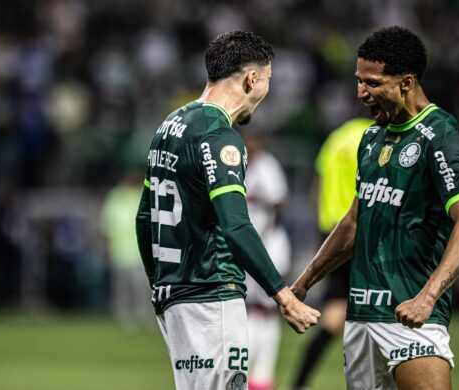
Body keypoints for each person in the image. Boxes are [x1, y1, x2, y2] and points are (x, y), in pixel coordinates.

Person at [291, 26, 459, 390]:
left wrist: (427, 298)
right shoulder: (370, 139)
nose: (361, 92)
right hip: (361, 317)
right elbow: (354, 222)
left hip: (410, 318)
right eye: (359, 80)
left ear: (406, 83)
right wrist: (302, 284)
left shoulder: (439, 135)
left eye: (373, 83)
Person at [136, 31, 320, 390]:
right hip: (211, 294)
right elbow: (236, 226)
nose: (266, 92)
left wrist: (157, 281)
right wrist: (283, 295)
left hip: (173, 295)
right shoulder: (220, 137)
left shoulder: (169, 126)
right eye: (267, 80)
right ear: (252, 79)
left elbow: (145, 218)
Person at [292, 117, 372, 390]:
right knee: (375, 309)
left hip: (331, 233)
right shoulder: (375, 137)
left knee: (335, 311)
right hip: (362, 231)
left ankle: (298, 383)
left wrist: (322, 227)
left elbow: (318, 184)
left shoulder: (335, 138)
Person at [243, 132, 292, 390]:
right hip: (251, 248)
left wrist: (265, 237)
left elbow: (278, 203)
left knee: (266, 309)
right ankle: (257, 376)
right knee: (253, 308)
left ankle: (262, 376)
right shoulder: (244, 167)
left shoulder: (267, 166)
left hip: (269, 247)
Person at [101, 171, 154, 331]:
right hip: (120, 252)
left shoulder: (141, 195)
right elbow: (107, 224)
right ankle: (126, 320)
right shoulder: (116, 197)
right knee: (123, 290)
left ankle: (145, 319)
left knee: (142, 290)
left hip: (139, 254)